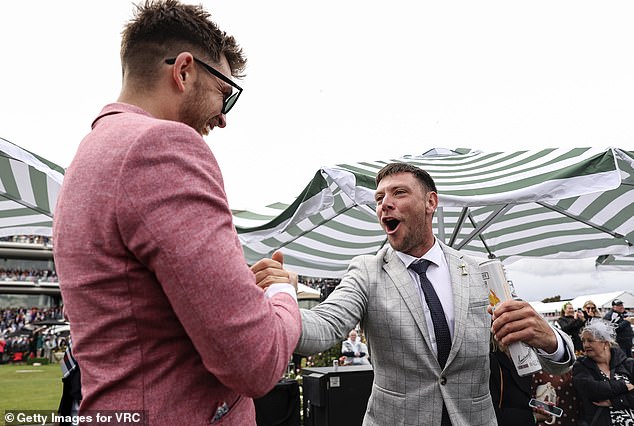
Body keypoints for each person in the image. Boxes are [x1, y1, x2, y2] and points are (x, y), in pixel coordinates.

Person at [52, 1, 301, 424]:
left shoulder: (90, 152)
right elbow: (256, 362)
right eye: (225, 93)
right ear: (184, 71)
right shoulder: (161, 147)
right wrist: (282, 295)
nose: (223, 118)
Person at [290, 162, 576, 425]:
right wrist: (280, 303)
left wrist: (551, 341)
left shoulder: (481, 271)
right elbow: (324, 328)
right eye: (379, 199)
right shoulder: (366, 271)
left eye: (398, 193)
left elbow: (547, 359)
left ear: (431, 202)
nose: (385, 204)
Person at [572, 319, 634, 425]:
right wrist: (623, 386)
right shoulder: (581, 366)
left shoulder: (628, 364)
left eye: (590, 340)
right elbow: (591, 390)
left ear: (605, 343)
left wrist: (614, 402)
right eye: (583, 341)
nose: (585, 345)